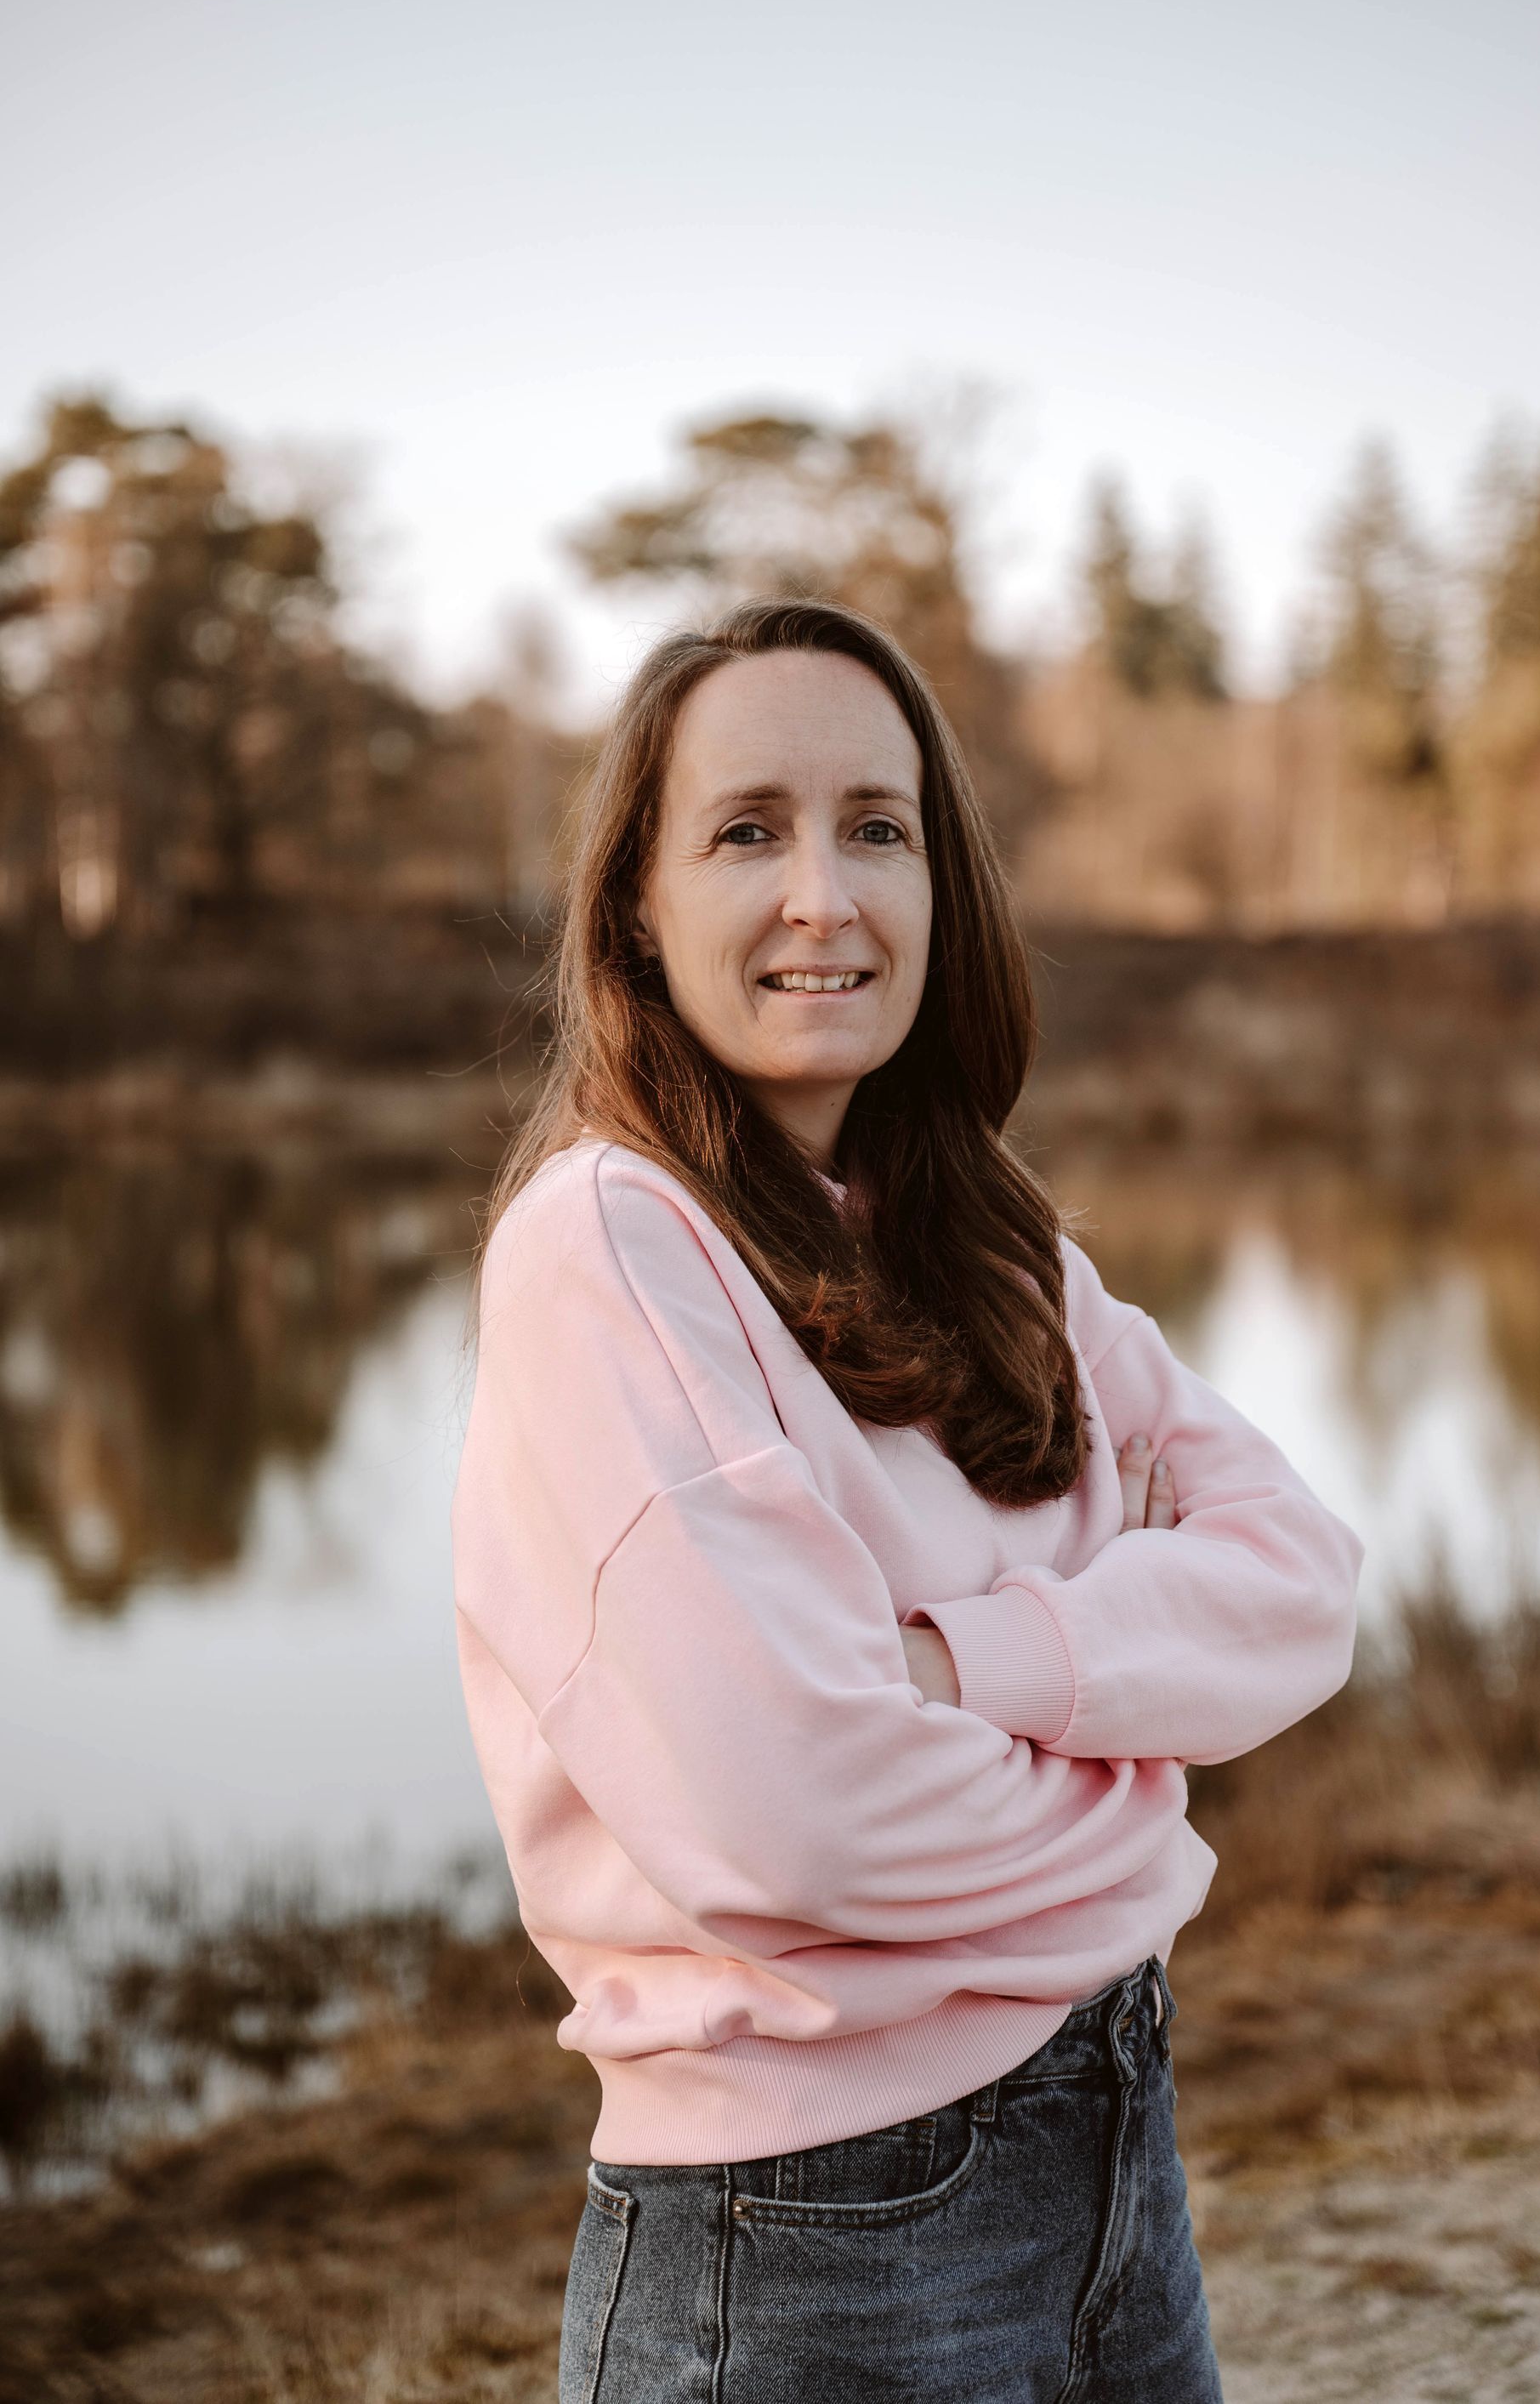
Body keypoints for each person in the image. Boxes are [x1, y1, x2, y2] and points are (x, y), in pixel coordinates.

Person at [451, 596, 1363, 2403]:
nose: (824, 893)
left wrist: (964, 1664)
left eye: (878, 827)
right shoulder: (610, 1245)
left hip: (1113, 2151)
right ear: (637, 903)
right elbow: (800, 1810)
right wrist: (1135, 1809)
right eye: (746, 831)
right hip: (815, 2247)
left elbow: (1303, 1587)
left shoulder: (994, 1245)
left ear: (944, 886)